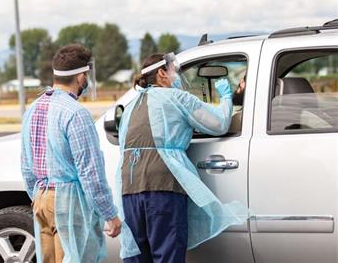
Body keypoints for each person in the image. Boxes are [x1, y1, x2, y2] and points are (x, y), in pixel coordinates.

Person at [115, 53, 250, 263]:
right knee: (167, 254)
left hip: (128, 189)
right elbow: (219, 123)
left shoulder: (131, 106)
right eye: (174, 71)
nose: (177, 76)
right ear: (161, 73)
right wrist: (226, 98)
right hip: (162, 186)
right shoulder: (177, 98)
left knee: (138, 257)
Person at [21, 44, 122, 263]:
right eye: (86, 75)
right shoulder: (75, 113)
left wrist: (39, 198)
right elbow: (90, 172)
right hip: (69, 202)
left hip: (41, 198)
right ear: (80, 77)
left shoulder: (33, 109)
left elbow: (26, 165)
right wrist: (109, 214)